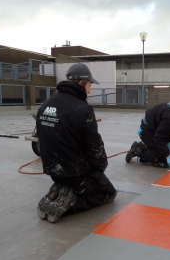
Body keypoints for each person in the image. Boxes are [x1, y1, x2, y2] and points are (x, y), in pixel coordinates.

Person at [36, 63, 116, 223]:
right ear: (81, 83)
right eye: (89, 85)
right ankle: (71, 201)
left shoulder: (45, 106)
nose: (89, 90)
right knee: (108, 193)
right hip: (76, 173)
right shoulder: (82, 109)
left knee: (72, 179)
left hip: (53, 171)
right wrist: (100, 170)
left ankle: (59, 189)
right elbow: (95, 149)